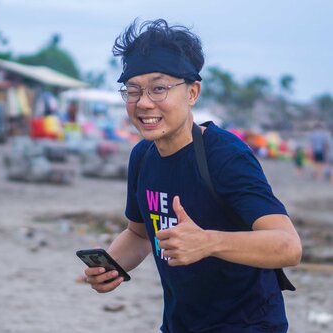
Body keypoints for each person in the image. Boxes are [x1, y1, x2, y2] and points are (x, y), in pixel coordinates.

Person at [82, 19, 302, 333]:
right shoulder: (143, 156)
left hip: (248, 324)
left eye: (159, 89)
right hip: (180, 324)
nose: (143, 103)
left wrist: (208, 242)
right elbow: (140, 234)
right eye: (132, 91)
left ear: (192, 93)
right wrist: (111, 267)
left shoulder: (225, 156)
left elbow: (288, 246)